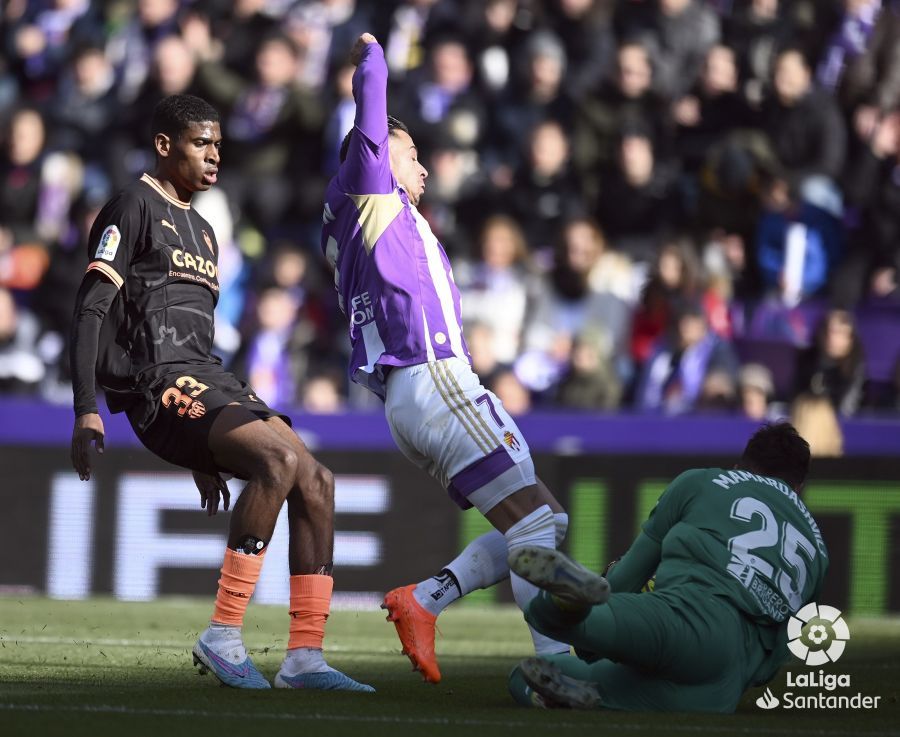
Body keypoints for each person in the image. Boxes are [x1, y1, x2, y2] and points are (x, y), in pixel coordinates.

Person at [69, 94, 372, 693]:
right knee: (279, 459)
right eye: (201, 144)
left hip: (208, 379)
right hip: (158, 385)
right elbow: (90, 311)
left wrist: (211, 445)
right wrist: (85, 409)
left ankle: (305, 657)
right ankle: (224, 633)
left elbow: (196, 339)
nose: (214, 156)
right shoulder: (129, 207)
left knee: (317, 480)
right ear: (164, 145)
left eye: (218, 146)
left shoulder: (206, 232)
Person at [321, 34, 572, 684]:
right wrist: (373, 48)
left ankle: (425, 600)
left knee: (544, 516)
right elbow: (370, 104)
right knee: (539, 522)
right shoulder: (372, 199)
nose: (424, 168)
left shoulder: (360, 226)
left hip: (417, 394)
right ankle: (556, 670)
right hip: (433, 381)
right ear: (373, 162)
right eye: (411, 155)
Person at [507, 422, 829, 712]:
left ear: (740, 466)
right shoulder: (819, 553)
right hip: (726, 678)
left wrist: (598, 635)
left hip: (683, 613)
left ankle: (565, 601)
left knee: (534, 651)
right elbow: (771, 665)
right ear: (798, 488)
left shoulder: (704, 481)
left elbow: (624, 579)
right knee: (606, 688)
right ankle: (585, 695)